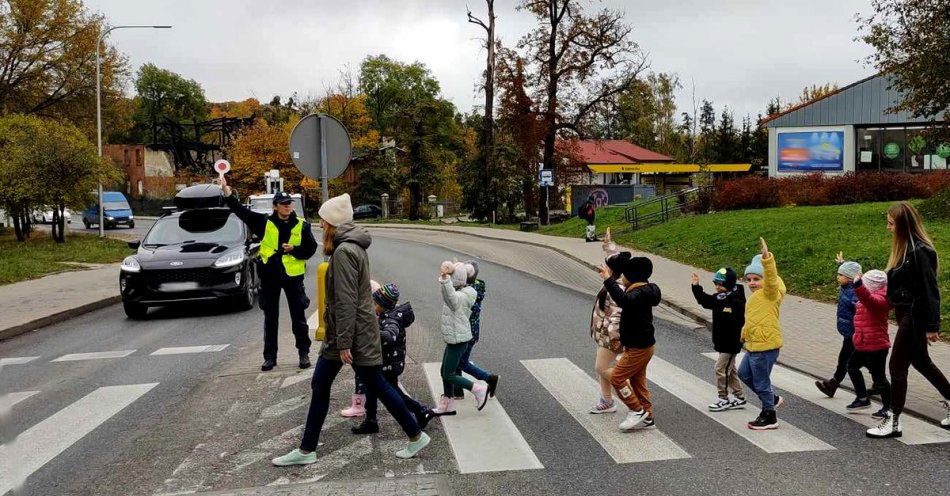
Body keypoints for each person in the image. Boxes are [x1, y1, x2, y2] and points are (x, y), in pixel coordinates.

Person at [272, 193, 429, 466]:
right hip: (353, 332)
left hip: (350, 334)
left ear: (333, 223)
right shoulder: (352, 247)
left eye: (323, 221)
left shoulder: (344, 252)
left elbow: (346, 302)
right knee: (334, 384)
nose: (320, 226)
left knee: (370, 384)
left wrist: (344, 342)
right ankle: (307, 449)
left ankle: (415, 435)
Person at [867, 202, 950, 438]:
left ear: (903, 225)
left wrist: (932, 326)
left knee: (897, 365)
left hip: (915, 314)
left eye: (891, 224)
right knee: (921, 361)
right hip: (905, 313)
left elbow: (930, 290)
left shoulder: (921, 251)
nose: (888, 228)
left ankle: (893, 421)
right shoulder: (904, 251)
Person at [221, 178, 316, 371]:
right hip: (270, 276)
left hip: (293, 277)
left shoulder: (301, 225)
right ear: (275, 207)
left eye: (289, 203)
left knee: (298, 317)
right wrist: (228, 195)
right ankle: (270, 357)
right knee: (270, 318)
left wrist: (294, 249)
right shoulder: (264, 223)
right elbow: (242, 213)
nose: (287, 207)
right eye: (283, 204)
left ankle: (304, 353)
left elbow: (310, 249)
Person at [352, 282, 433, 435]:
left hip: (389, 364)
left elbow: (390, 336)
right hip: (384, 362)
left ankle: (420, 410)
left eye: (375, 303)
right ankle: (371, 420)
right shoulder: (385, 315)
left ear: (383, 305)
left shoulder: (391, 320)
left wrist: (373, 330)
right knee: (373, 387)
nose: (373, 305)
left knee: (391, 394)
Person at [598, 255, 662, 431]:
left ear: (632, 276)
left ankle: (637, 410)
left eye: (624, 275)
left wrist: (608, 280)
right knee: (637, 382)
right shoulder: (641, 291)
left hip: (639, 348)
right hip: (639, 346)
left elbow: (623, 300)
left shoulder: (638, 294)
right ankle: (647, 416)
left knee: (618, 378)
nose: (621, 278)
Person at [737, 238, 786, 431]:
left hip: (765, 346)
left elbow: (772, 280)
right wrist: (743, 334)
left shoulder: (770, 293)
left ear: (766, 280)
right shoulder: (756, 298)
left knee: (761, 382)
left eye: (756, 279)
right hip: (753, 344)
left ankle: (769, 414)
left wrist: (767, 260)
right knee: (743, 374)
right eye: (749, 279)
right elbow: (753, 319)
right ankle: (772, 399)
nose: (752, 283)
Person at [431, 262, 490, 415]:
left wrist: (445, 278)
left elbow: (451, 299)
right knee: (444, 370)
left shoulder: (465, 294)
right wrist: (446, 279)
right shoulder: (461, 290)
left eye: (452, 276)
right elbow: (447, 294)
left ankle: (478, 389)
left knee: (449, 374)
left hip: (459, 340)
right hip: (454, 339)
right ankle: (447, 404)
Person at [691, 267, 747, 412]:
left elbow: (743, 321)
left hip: (732, 342)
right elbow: (704, 300)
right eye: (716, 284)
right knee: (730, 369)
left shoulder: (736, 300)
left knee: (720, 368)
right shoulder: (719, 298)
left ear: (729, 285)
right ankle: (739, 397)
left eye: (720, 284)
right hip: (722, 340)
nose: (717, 287)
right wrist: (696, 287)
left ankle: (723, 398)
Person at [589, 229, 629, 414]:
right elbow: (615, 257)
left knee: (602, 367)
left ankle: (634, 395)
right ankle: (606, 400)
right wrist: (608, 245)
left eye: (607, 267)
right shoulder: (615, 278)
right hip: (603, 332)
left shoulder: (617, 286)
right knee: (603, 367)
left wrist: (613, 337)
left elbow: (617, 315)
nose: (604, 268)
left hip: (610, 335)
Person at [450, 260, 499, 400]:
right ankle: (458, 390)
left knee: (461, 362)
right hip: (470, 331)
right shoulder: (477, 287)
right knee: (458, 359)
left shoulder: (468, 292)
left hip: (467, 333)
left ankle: (489, 378)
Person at [846, 269, 892, 419]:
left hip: (877, 345)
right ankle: (862, 397)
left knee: (879, 378)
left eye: (866, 284)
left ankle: (888, 408)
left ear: (872, 285)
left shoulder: (880, 299)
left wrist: (859, 285)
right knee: (852, 367)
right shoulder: (869, 297)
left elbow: (868, 299)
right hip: (864, 343)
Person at [815, 255, 861, 398]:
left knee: (851, 360)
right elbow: (852, 271)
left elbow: (861, 310)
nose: (837, 277)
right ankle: (832, 385)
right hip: (849, 332)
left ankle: (874, 387)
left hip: (855, 333)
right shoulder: (846, 286)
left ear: (849, 278)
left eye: (840, 275)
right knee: (847, 359)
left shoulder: (855, 292)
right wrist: (842, 263)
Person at [339, 281, 381, 418]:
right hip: (369, 341)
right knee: (379, 379)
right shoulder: (370, 284)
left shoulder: (367, 287)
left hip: (366, 341)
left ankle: (359, 406)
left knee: (370, 377)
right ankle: (365, 411)